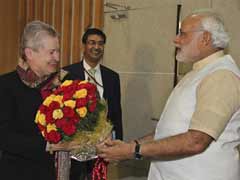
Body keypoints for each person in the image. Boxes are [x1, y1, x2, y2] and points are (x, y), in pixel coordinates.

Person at [97, 10, 240, 180]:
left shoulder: (221, 76)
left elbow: (196, 140)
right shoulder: (197, 72)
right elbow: (168, 131)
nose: (175, 39)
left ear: (205, 38)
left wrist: (132, 151)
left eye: (183, 34)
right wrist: (133, 145)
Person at [0, 21, 72, 180]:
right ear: (30, 53)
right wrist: (49, 145)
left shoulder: (65, 83)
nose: (57, 58)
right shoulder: (6, 86)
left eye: (58, 51)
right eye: (52, 52)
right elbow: (5, 137)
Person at [64, 28, 123, 180]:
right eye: (92, 43)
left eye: (100, 44)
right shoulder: (67, 73)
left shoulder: (112, 77)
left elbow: (116, 113)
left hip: (101, 145)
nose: (96, 47)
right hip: (74, 144)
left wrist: (118, 144)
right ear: (84, 46)